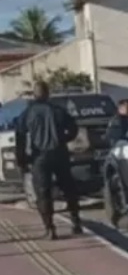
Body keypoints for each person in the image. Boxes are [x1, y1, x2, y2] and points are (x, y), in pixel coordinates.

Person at [15, 81, 83, 240]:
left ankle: (50, 227)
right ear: (47, 94)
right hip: (60, 153)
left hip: (39, 156)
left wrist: (21, 159)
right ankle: (76, 222)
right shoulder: (58, 111)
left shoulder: (27, 113)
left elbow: (20, 136)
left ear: (34, 94)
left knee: (43, 192)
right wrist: (64, 139)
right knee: (69, 188)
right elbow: (73, 128)